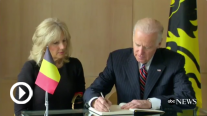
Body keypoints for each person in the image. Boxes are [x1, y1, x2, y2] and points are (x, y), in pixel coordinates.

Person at [83, 18, 196, 114]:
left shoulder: (173, 62)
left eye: (147, 47)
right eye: (137, 45)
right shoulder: (117, 59)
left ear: (159, 44)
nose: (140, 52)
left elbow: (188, 100)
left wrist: (152, 103)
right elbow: (91, 91)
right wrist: (95, 100)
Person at [14, 18, 85, 116]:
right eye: (56, 43)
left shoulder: (74, 65)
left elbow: (80, 106)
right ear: (43, 46)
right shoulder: (30, 69)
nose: (63, 46)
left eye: (64, 41)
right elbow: (20, 111)